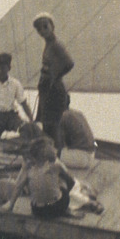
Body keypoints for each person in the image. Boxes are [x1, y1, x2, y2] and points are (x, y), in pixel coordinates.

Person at [2, 137, 88, 220]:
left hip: (37, 211)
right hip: (56, 209)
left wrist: (10, 206)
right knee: (62, 182)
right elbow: (71, 181)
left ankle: (48, 198)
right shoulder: (55, 164)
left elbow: (18, 187)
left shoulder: (28, 167)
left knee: (38, 182)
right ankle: (66, 209)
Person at [32, 12, 74, 143]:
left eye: (45, 26)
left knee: (54, 126)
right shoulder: (48, 45)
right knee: (47, 125)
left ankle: (56, 156)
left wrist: (54, 76)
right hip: (47, 92)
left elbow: (69, 63)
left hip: (55, 91)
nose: (42, 30)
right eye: (39, 28)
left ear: (52, 26)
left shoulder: (56, 45)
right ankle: (50, 156)